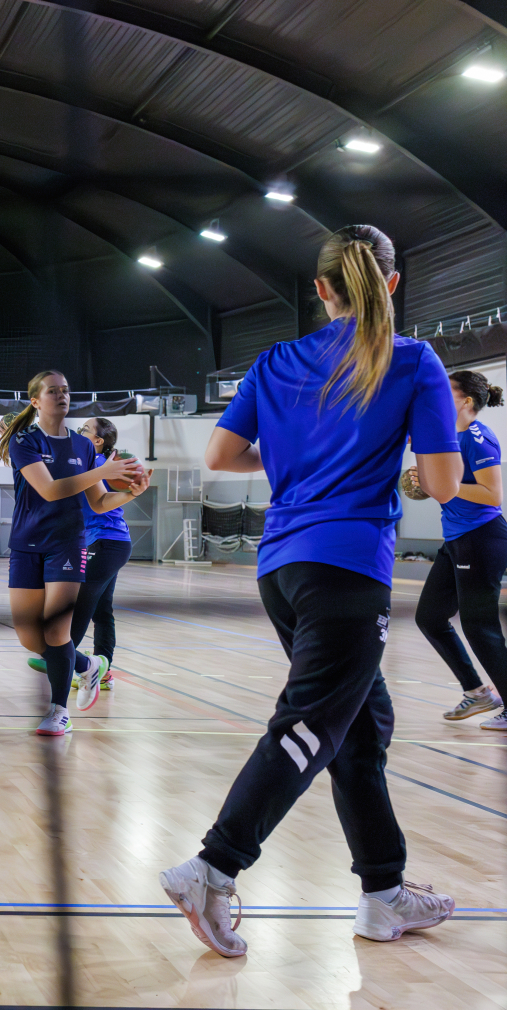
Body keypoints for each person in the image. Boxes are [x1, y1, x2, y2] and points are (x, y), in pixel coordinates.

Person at [159, 224, 464, 959]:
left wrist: (301, 459)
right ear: (391, 285)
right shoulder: (413, 360)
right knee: (310, 726)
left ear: (321, 290)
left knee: (361, 727)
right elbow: (446, 484)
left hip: (281, 570)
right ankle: (213, 866)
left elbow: (223, 457)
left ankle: (384, 894)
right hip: (348, 568)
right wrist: (396, 466)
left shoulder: (275, 360)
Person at [0, 371, 148, 736]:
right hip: (25, 545)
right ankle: (87, 664)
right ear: (35, 400)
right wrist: (102, 469)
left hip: (67, 546)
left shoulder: (84, 448)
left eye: (66, 390)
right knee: (29, 638)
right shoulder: (24, 440)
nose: (61, 396)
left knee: (55, 630)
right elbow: (50, 490)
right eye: (53, 391)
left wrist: (131, 493)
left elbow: (98, 502)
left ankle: (58, 711)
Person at [411, 371, 507, 730]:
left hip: (483, 540)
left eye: (446, 391)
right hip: (456, 542)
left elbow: (492, 495)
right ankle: (478, 691)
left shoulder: (479, 439)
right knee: (430, 618)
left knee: (479, 625)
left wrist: (443, 485)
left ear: (466, 401)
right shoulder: (447, 436)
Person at [25, 417, 144, 692]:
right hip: (107, 543)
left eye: (84, 430)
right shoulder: (85, 463)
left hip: (106, 543)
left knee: (79, 601)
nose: (78, 433)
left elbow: (95, 501)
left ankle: (61, 656)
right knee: (102, 611)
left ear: (98, 441)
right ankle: (103, 671)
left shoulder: (98, 463)